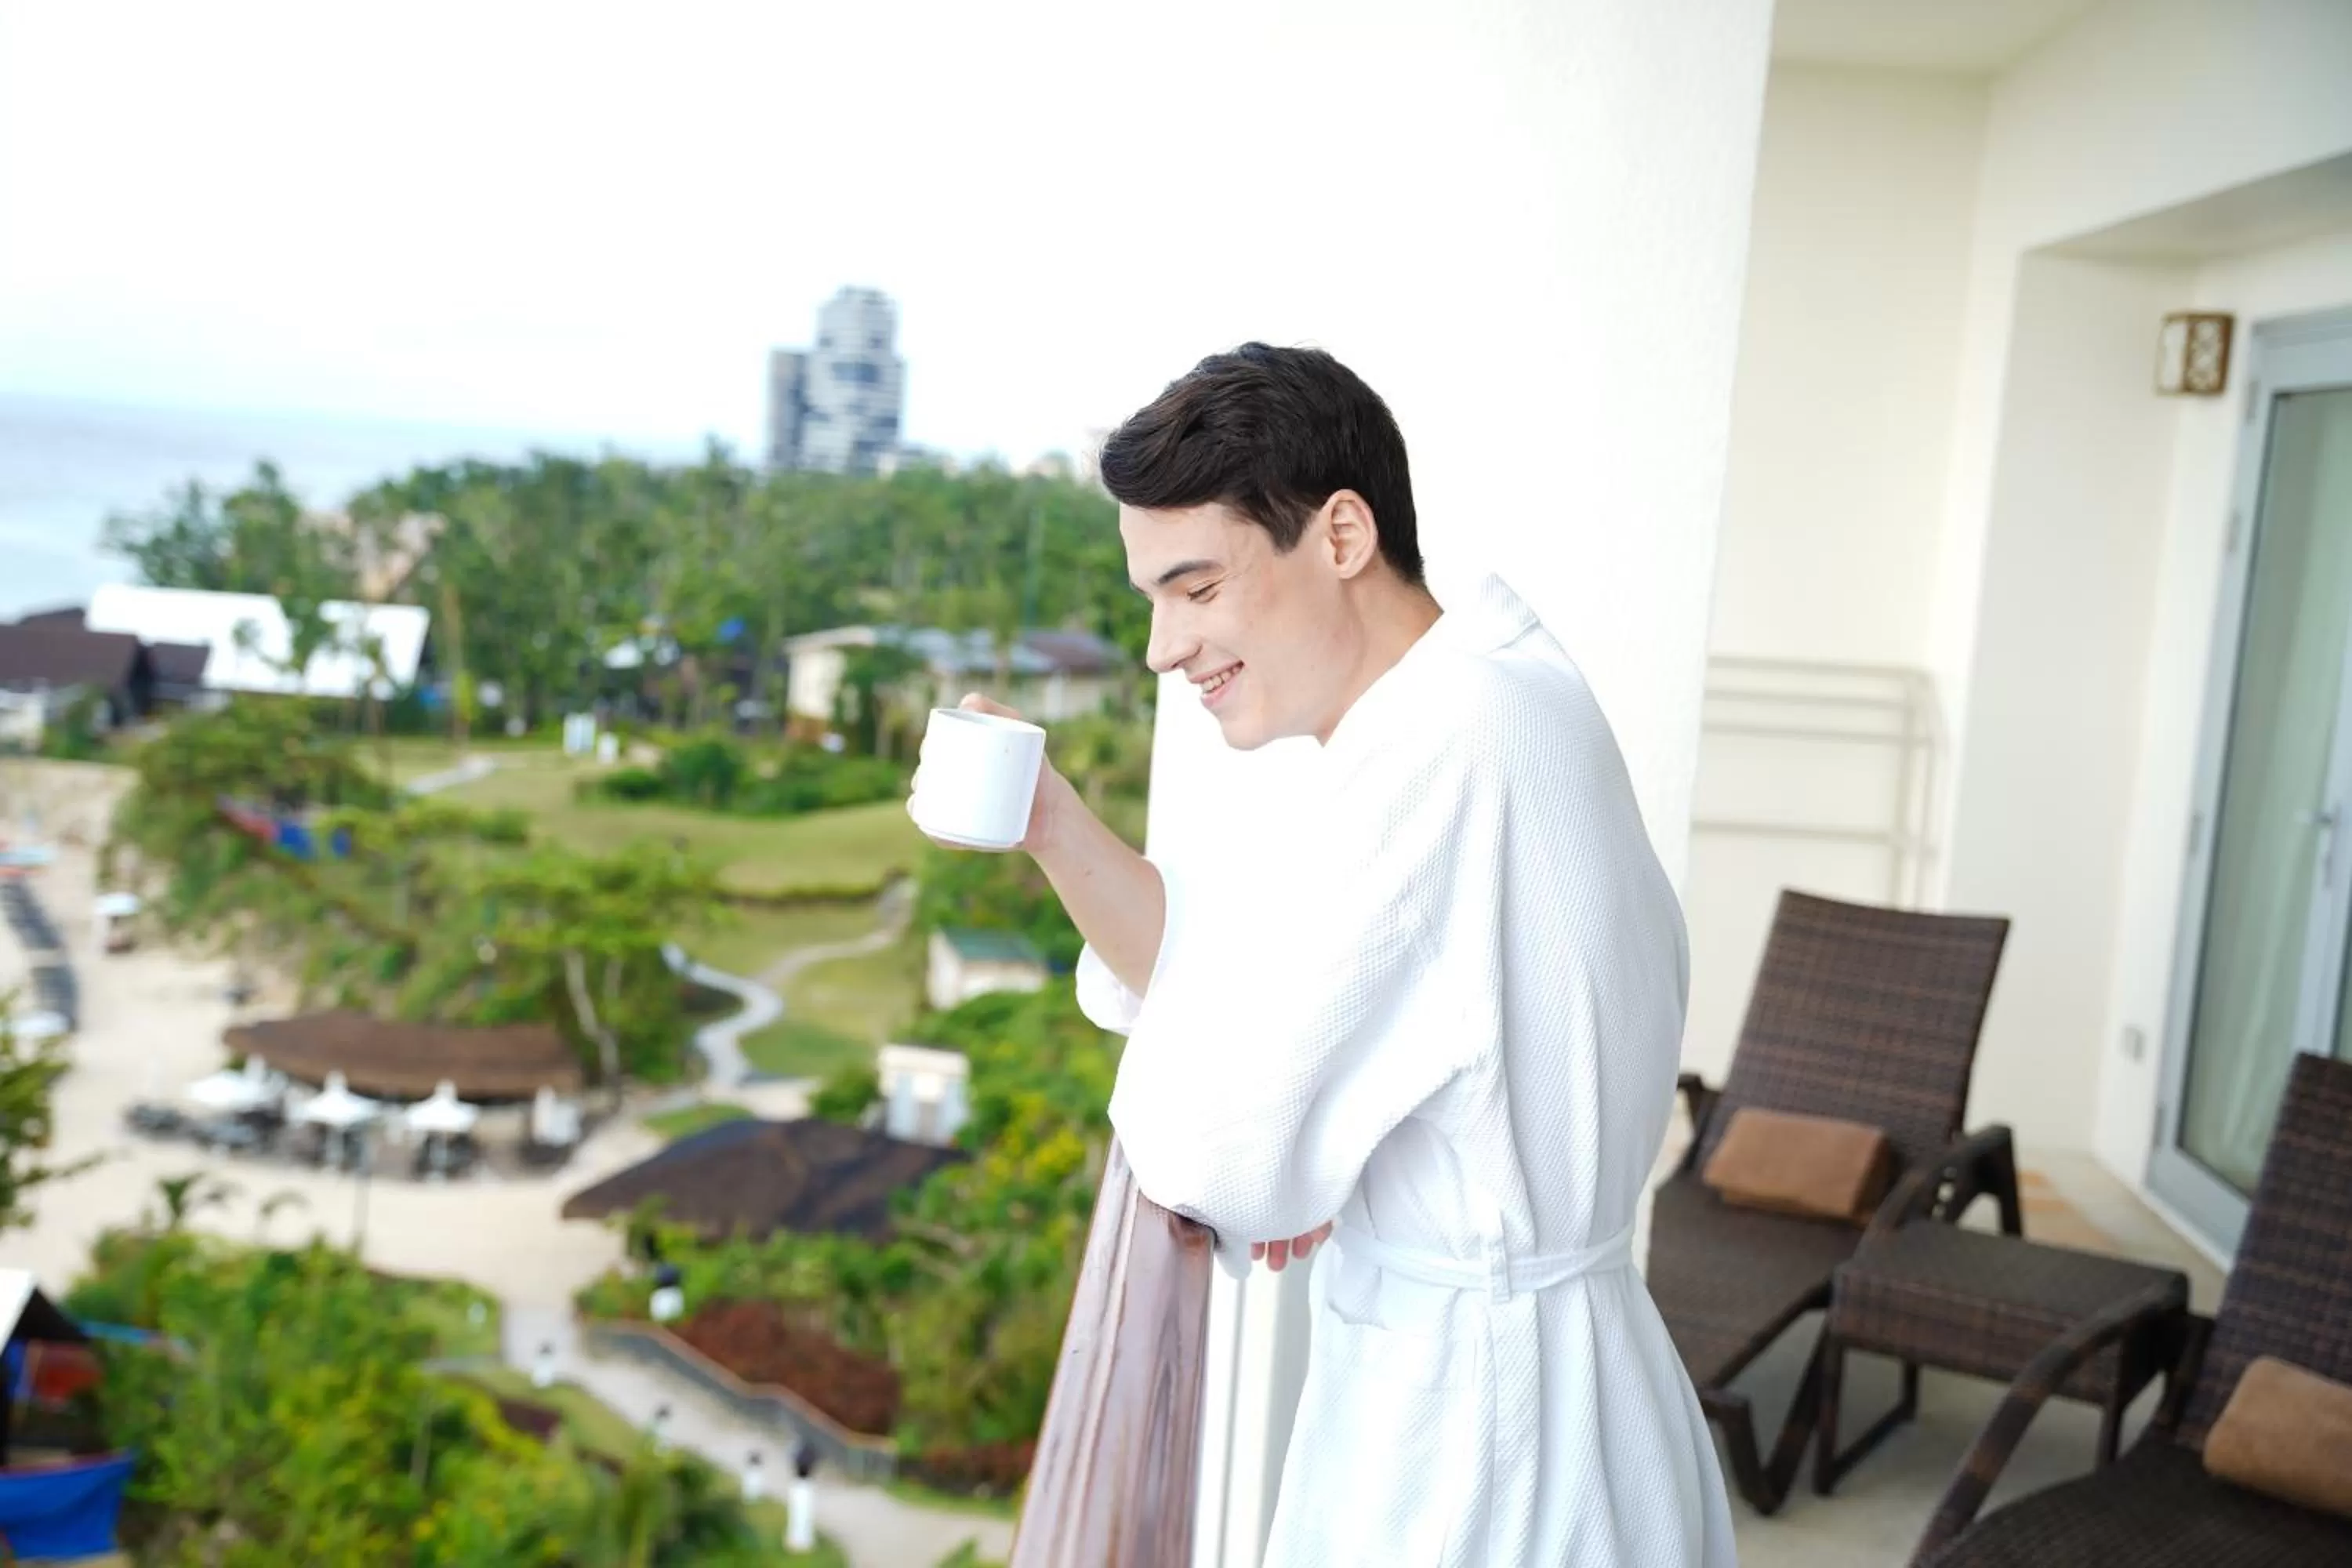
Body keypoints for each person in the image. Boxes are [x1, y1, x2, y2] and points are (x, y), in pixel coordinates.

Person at [915, 343, 1734, 1566]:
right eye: (1151, 600)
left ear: (1341, 534)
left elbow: (1220, 1152)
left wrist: (1291, 1156)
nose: (1161, 647)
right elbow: (1247, 966)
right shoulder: (1494, 695)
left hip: (1485, 1452)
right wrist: (1048, 819)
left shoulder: (1446, 749)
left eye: (1195, 589)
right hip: (1563, 1393)